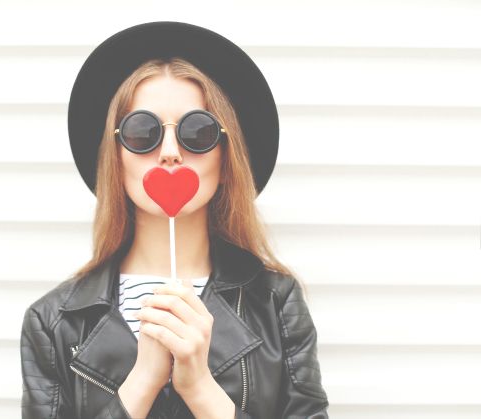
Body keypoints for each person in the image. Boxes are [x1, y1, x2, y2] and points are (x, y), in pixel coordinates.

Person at [20, 21, 329, 418]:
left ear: (225, 153)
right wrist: (144, 379)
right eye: (142, 131)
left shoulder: (275, 302)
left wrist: (201, 388)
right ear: (114, 155)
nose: (169, 152)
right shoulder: (52, 322)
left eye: (196, 132)